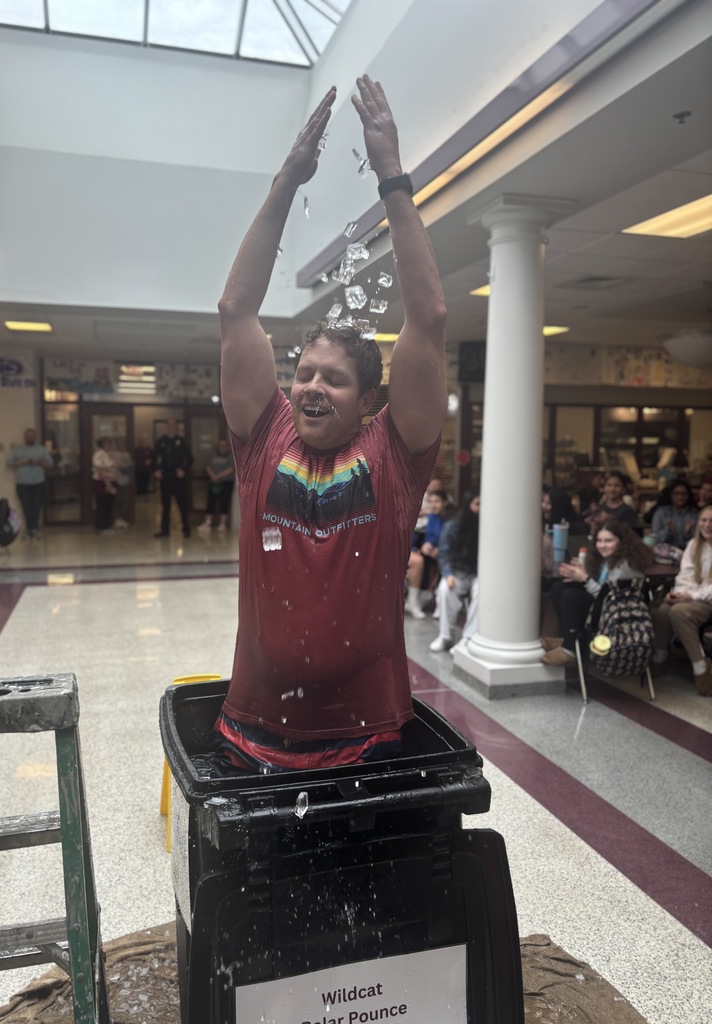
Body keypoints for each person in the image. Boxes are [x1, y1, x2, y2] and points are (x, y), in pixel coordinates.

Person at [211, 77, 446, 775]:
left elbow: (428, 320)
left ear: (370, 400)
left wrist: (392, 178)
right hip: (251, 730)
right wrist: (287, 180)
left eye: (333, 378)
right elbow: (235, 310)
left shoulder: (394, 455)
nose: (311, 385)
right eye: (304, 373)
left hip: (367, 735)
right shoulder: (264, 439)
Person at [541, 517, 652, 667]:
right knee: (559, 587)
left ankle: (570, 649)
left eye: (608, 541)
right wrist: (579, 575)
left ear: (622, 541)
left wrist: (585, 579)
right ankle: (569, 638)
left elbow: (610, 598)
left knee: (571, 596)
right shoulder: (605, 560)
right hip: (602, 605)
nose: (602, 545)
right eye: (599, 541)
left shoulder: (626, 566)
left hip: (617, 613)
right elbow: (599, 587)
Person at [652, 505, 712, 696]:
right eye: (704, 520)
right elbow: (685, 576)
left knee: (679, 612)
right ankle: (660, 657)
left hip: (707, 600)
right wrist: (678, 594)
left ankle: (700, 666)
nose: (707, 525)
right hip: (692, 597)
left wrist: (691, 596)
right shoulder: (694, 545)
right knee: (662, 610)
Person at [429, 492, 480, 652]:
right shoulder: (453, 526)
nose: (480, 509)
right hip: (458, 572)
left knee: (482, 592)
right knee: (445, 590)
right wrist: (448, 574)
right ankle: (445, 636)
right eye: (477, 504)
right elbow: (444, 554)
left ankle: (468, 637)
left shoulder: (489, 525)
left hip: (480, 574)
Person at [406, 488, 449, 618]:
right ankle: (413, 600)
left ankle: (416, 600)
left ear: (445, 502)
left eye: (437, 501)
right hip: (429, 554)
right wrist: (424, 546)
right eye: (430, 502)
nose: (433, 505)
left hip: (446, 554)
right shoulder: (429, 517)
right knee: (419, 560)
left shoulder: (450, 519)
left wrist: (440, 549)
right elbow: (421, 538)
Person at [6, 428, 54, 538]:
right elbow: (9, 463)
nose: (30, 437)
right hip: (22, 483)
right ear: (25, 437)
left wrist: (39, 462)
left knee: (36, 506)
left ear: (35, 437)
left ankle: (35, 528)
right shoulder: (17, 449)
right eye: (28, 436)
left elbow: (50, 464)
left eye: (32, 436)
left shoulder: (41, 449)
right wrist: (22, 462)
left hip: (38, 482)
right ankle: (28, 529)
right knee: (27, 506)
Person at [153, 419, 194, 538]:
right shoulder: (161, 442)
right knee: (165, 505)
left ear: (176, 427)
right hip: (165, 478)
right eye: (169, 425)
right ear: (166, 427)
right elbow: (154, 458)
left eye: (173, 425)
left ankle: (186, 529)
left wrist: (184, 470)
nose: (171, 427)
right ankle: (164, 530)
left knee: (182, 504)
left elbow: (190, 459)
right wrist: (156, 470)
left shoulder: (182, 442)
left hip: (178, 478)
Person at [198, 438, 236, 530]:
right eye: (220, 446)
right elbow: (207, 467)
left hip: (226, 482)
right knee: (211, 502)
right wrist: (213, 476)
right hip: (213, 483)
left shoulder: (231, 456)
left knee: (224, 503)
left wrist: (218, 476)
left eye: (224, 446)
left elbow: (231, 469)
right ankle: (207, 523)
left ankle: (222, 524)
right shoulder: (212, 456)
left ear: (227, 447)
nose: (222, 448)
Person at [649, 480, 697, 548]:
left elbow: (701, 538)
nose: (680, 497)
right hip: (666, 553)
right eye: (676, 494)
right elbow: (655, 538)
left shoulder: (694, 513)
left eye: (684, 494)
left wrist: (690, 532)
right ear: (671, 495)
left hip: (689, 550)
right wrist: (668, 530)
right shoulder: (661, 513)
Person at [91, 437, 117, 534]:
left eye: (110, 443)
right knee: (102, 504)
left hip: (111, 481)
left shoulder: (108, 454)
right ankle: (101, 526)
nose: (109, 445)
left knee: (109, 505)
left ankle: (107, 525)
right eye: (107, 443)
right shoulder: (99, 454)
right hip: (103, 483)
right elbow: (99, 469)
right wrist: (107, 484)